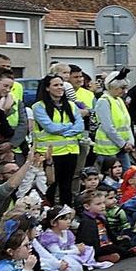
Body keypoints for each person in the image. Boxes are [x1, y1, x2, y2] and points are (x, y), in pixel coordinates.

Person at [32, 75, 84, 206]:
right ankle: (50, 212)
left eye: (61, 85)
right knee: (51, 185)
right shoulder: (39, 107)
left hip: (71, 151)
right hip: (50, 154)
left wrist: (66, 131)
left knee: (67, 186)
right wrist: (69, 127)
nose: (60, 88)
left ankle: (67, 211)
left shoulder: (71, 105)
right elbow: (51, 127)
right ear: (47, 88)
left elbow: (80, 126)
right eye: (55, 85)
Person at [93, 75, 134, 173]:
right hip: (108, 149)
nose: (124, 91)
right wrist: (123, 144)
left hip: (122, 147)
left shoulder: (119, 100)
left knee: (127, 174)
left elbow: (126, 124)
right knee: (109, 175)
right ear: (112, 87)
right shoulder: (104, 101)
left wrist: (130, 142)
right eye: (122, 88)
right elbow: (108, 127)